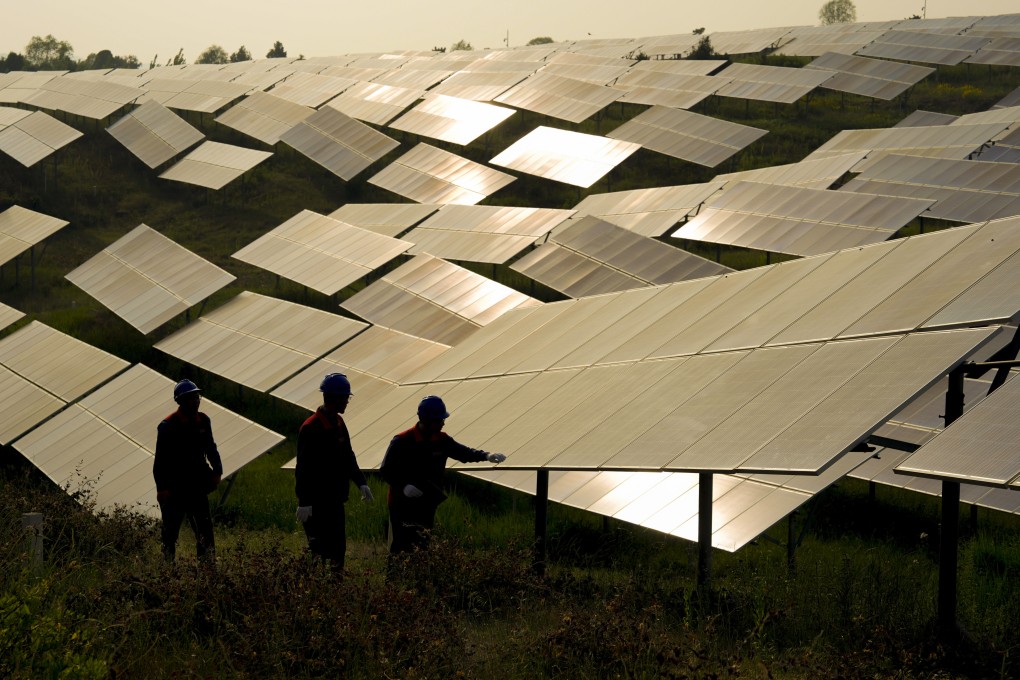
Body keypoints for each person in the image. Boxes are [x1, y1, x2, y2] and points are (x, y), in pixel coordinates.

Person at [380, 395, 506, 555]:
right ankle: (395, 580)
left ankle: (417, 579)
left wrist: (486, 455)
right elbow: (386, 470)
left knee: (422, 545)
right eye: (438, 420)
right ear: (425, 420)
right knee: (402, 546)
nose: (442, 423)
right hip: (403, 503)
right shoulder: (402, 440)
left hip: (426, 501)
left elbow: (463, 452)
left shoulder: (441, 439)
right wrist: (403, 486)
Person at [295, 373, 373, 570]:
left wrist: (361, 482)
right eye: (345, 398)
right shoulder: (310, 427)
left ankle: (335, 594)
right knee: (318, 552)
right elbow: (303, 468)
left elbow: (348, 456)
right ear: (335, 398)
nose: (347, 402)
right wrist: (304, 502)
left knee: (338, 551)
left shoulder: (338, 423)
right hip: (316, 503)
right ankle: (315, 595)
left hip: (336, 500)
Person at [153, 379, 222, 562]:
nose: (196, 401)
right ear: (181, 401)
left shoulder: (203, 421)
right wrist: (161, 489)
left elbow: (211, 448)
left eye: (197, 397)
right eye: (191, 398)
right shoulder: (167, 426)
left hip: (197, 486)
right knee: (170, 534)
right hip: (175, 488)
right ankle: (167, 571)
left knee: (205, 531)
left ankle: (207, 570)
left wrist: (217, 472)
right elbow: (160, 461)